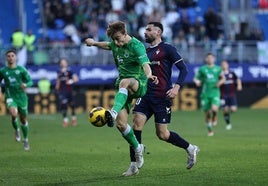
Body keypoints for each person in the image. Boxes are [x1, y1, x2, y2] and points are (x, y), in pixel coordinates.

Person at [123, 22, 200, 176]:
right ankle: (133, 165)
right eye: (145, 29)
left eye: (148, 29)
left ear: (158, 32)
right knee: (136, 124)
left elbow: (184, 69)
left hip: (162, 97)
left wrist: (176, 87)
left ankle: (190, 148)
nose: (145, 32)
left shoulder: (168, 49)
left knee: (162, 134)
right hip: (145, 95)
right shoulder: (144, 52)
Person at [85, 21, 158, 171]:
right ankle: (138, 148)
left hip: (139, 84)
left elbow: (145, 64)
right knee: (121, 125)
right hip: (123, 88)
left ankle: (112, 112)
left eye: (118, 38)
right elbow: (107, 45)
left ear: (125, 33)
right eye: (114, 40)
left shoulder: (136, 45)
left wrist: (150, 75)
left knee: (124, 82)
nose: (117, 43)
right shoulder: (114, 43)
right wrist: (93, 43)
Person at [0, 50, 33, 151]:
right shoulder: (3, 71)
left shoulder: (21, 70)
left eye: (12, 56)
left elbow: (30, 81)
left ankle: (26, 140)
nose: (10, 58)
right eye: (8, 56)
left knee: (23, 119)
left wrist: (25, 85)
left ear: (16, 58)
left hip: (22, 98)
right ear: (6, 58)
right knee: (14, 114)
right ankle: (16, 129)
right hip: (10, 96)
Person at [193, 53, 225, 136]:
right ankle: (210, 130)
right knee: (207, 113)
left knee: (214, 109)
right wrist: (197, 82)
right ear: (206, 59)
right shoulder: (202, 69)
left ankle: (214, 117)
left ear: (214, 59)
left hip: (215, 92)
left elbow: (223, 78)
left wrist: (220, 82)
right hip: (205, 94)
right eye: (208, 58)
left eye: (211, 58)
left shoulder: (218, 69)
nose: (210, 59)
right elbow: (196, 78)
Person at [55, 58, 79, 127]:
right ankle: (65, 120)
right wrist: (57, 88)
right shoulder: (59, 72)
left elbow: (76, 79)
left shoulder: (70, 71)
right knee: (64, 105)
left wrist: (71, 81)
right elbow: (58, 80)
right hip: (62, 91)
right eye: (62, 62)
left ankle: (74, 119)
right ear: (60, 64)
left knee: (72, 105)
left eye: (64, 62)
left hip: (69, 91)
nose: (63, 63)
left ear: (66, 63)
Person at [220, 60, 242, 130]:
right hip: (223, 95)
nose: (224, 65)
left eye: (225, 64)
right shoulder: (219, 74)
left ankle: (227, 114)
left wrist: (239, 85)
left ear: (227, 65)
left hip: (231, 94)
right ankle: (228, 124)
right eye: (222, 64)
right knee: (225, 109)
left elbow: (238, 79)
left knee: (234, 109)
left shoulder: (232, 73)